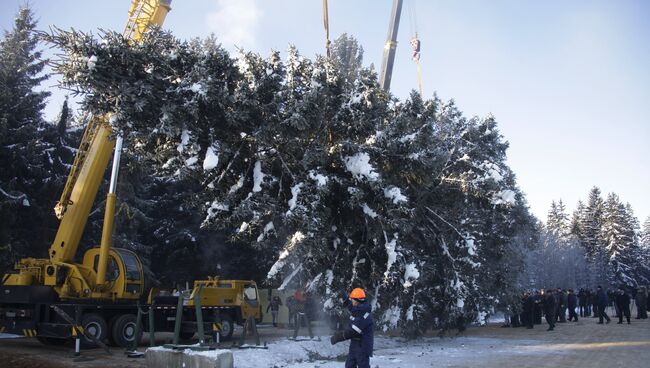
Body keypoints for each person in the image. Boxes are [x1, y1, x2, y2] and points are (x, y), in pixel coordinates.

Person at [330, 288, 374, 368]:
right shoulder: (359, 308)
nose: (351, 300)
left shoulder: (364, 315)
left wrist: (338, 337)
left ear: (357, 300)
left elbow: (353, 332)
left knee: (363, 366)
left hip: (362, 346)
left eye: (352, 299)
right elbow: (351, 306)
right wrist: (345, 298)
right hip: (355, 344)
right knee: (349, 365)